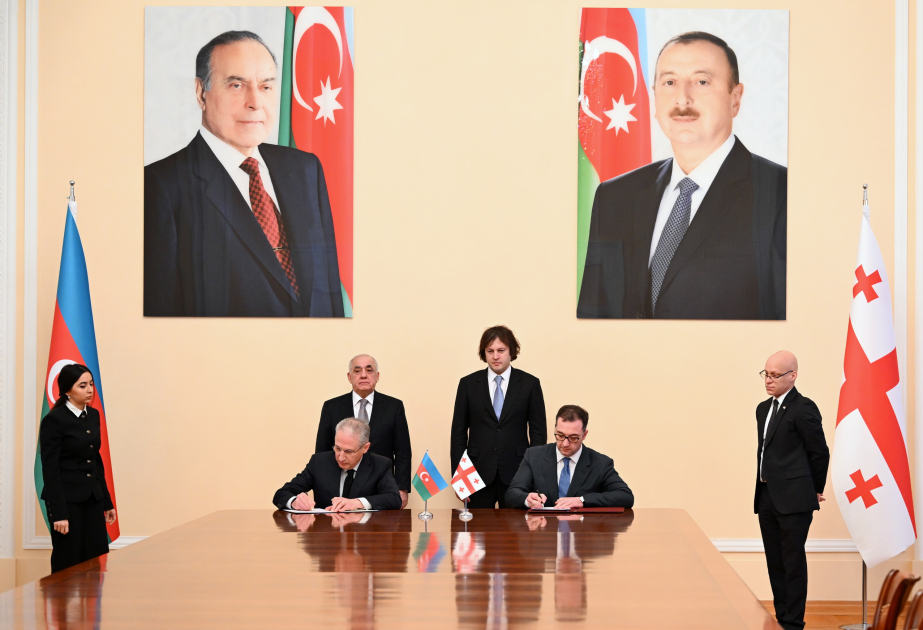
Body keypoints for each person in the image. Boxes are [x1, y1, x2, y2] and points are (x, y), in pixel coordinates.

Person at [577, 31, 786, 320]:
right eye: (670, 82)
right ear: (654, 95)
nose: (682, 98)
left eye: (702, 82)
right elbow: (594, 317)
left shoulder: (782, 194)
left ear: (735, 99)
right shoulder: (614, 196)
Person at [144, 30, 342, 317]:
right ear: (201, 93)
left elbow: (329, 292)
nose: (255, 102)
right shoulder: (159, 187)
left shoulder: (305, 169)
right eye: (236, 85)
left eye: (265, 86)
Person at [755, 351, 829, 630]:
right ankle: (781, 618)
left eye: (775, 375)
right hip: (766, 496)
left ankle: (794, 623)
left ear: (793, 376)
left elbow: (819, 452)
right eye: (766, 374)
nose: (769, 380)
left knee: (792, 561)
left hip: (795, 498)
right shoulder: (763, 409)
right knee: (775, 561)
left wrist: (815, 489)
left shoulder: (803, 407)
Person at [450, 325, 546, 508]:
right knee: (475, 526)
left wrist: (535, 475)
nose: (495, 356)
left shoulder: (530, 384)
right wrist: (460, 477)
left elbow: (538, 434)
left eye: (501, 350)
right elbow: (458, 434)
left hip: (518, 472)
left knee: (517, 526)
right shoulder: (468, 384)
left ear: (512, 352)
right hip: (475, 474)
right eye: (490, 351)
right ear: (484, 353)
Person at [39, 364, 116, 573]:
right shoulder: (54, 420)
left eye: (91, 384)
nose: (89, 390)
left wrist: (106, 501)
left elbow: (95, 461)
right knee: (68, 561)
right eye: (82, 386)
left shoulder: (93, 415)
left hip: (93, 498)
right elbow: (50, 469)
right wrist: (59, 513)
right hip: (67, 501)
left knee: (96, 561)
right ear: (67, 390)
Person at [315, 355, 412, 507]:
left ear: (377, 376)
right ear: (349, 377)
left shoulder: (394, 407)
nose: (363, 375)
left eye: (369, 370)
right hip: (341, 484)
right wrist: (322, 487)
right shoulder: (331, 407)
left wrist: (402, 488)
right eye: (357, 370)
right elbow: (323, 450)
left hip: (381, 487)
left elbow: (402, 452)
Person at [506, 405, 633, 509]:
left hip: (582, 530)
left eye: (573, 437)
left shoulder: (600, 463)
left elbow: (625, 496)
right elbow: (512, 494)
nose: (565, 443)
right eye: (560, 435)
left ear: (584, 435)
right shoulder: (534, 456)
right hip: (544, 529)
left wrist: (582, 500)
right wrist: (527, 500)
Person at [273, 418, 401, 511]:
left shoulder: (380, 465)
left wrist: (357, 503)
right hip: (327, 534)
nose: (340, 457)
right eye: (337, 448)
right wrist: (294, 502)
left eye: (348, 451)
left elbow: (394, 498)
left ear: (365, 448)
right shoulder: (319, 462)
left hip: (362, 536)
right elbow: (282, 493)